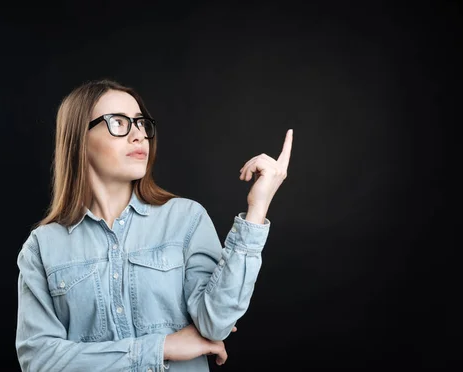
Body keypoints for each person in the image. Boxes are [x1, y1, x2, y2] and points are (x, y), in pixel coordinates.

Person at [15, 78, 292, 371]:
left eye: (141, 123)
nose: (138, 135)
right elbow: (40, 360)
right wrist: (160, 348)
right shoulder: (42, 247)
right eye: (119, 123)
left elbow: (216, 324)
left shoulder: (186, 218)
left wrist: (257, 208)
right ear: (78, 139)